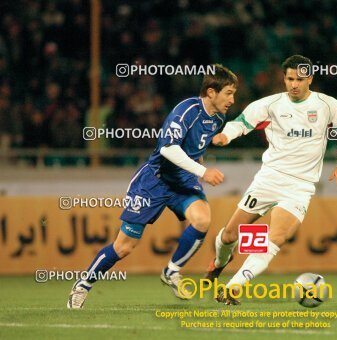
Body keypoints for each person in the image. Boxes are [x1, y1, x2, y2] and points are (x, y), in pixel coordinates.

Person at [67, 64, 238, 308]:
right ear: (211, 92)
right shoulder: (186, 111)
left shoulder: (218, 118)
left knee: (202, 219)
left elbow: (196, 148)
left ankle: (171, 271)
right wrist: (203, 172)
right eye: (229, 93)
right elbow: (168, 149)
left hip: (182, 182)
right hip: (154, 181)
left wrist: (198, 169)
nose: (232, 99)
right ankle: (83, 284)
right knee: (124, 247)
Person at [205, 55, 337, 304]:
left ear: (310, 78)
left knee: (275, 237)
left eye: (299, 79)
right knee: (230, 235)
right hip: (268, 180)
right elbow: (241, 123)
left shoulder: (329, 105)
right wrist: (225, 136)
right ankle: (220, 262)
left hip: (300, 187)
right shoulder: (270, 104)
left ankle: (234, 286)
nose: (294, 84)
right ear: (284, 78)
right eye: (289, 79)